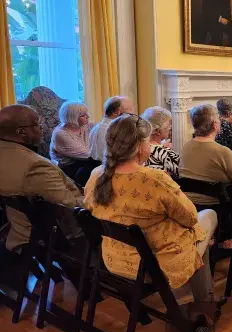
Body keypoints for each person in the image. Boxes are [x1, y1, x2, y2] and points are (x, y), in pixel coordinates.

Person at [84, 115, 221, 332]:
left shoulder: (96, 176)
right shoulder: (154, 178)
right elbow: (189, 217)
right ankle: (200, 307)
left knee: (195, 233)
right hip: (151, 264)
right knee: (206, 219)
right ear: (139, 147)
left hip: (114, 259)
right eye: (148, 142)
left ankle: (200, 304)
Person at [0, 104, 83, 252]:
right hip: (54, 237)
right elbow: (69, 206)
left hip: (19, 232)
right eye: (37, 123)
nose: (41, 128)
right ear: (21, 132)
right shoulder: (35, 166)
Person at [179, 104, 232, 206]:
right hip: (215, 206)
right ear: (215, 124)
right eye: (219, 119)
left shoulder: (186, 146)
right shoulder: (223, 152)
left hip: (187, 204)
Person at [50, 101, 99, 185]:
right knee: (101, 165)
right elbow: (87, 154)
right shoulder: (61, 134)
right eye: (83, 115)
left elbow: (104, 134)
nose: (88, 117)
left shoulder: (87, 125)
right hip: (68, 168)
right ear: (72, 117)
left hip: (86, 161)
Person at [89, 96, 134, 161]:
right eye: (129, 110)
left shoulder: (96, 128)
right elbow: (110, 159)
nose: (132, 114)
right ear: (115, 112)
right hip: (107, 168)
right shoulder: (109, 131)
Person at [142, 106, 179, 177]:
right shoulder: (166, 153)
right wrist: (166, 150)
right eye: (168, 125)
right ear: (158, 131)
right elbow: (185, 173)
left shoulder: (136, 148)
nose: (170, 128)